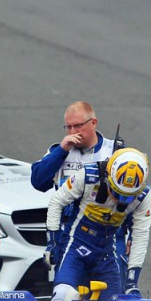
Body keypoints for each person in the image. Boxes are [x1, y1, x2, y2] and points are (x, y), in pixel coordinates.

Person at [31, 101, 128, 279]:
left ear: (93, 123)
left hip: (108, 237)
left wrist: (132, 237)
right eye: (68, 127)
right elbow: (38, 181)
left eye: (78, 126)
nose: (73, 131)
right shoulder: (59, 150)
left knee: (110, 293)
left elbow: (133, 195)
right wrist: (62, 150)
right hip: (69, 236)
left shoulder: (116, 152)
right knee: (66, 290)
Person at [47, 148, 151, 301]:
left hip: (106, 253)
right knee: (62, 295)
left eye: (128, 196)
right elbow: (57, 201)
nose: (121, 200)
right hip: (75, 246)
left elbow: (141, 235)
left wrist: (132, 282)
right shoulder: (88, 175)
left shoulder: (144, 194)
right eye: (117, 193)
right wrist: (52, 242)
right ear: (108, 175)